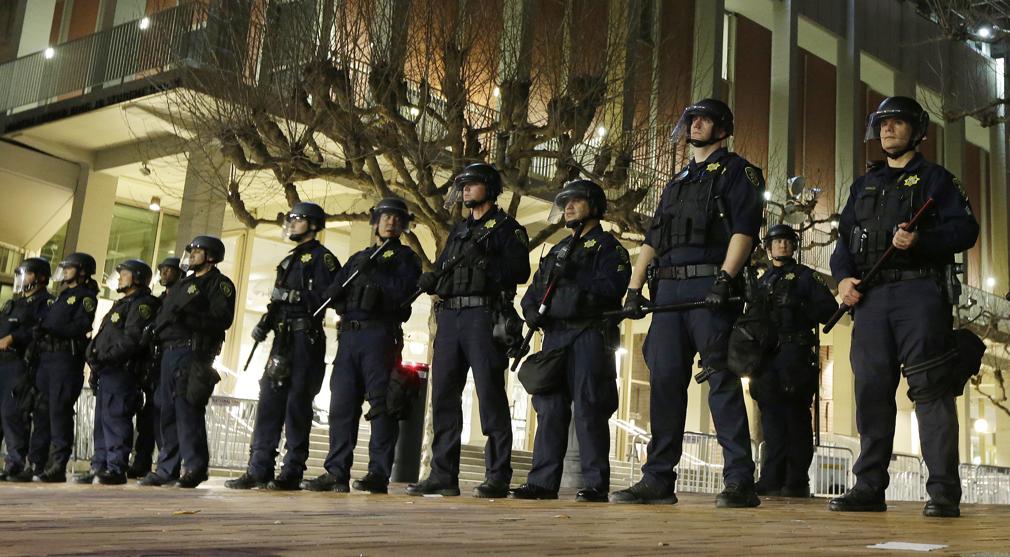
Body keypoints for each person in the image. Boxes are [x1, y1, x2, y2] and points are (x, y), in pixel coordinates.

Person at [828, 96, 978, 518]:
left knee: (931, 392)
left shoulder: (937, 181)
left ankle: (944, 492)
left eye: (896, 123)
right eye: (882, 123)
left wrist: (921, 242)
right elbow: (844, 243)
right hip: (871, 301)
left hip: (920, 296)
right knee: (871, 392)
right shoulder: (864, 185)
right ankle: (869, 487)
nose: (887, 130)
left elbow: (966, 229)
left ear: (917, 130)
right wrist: (844, 280)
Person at [612, 98, 764, 507]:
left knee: (721, 383)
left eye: (704, 120)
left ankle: (739, 481)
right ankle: (658, 479)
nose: (695, 125)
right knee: (663, 385)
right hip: (669, 295)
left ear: (721, 128)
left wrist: (724, 278)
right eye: (692, 119)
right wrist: (633, 287)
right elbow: (653, 238)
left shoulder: (738, 171)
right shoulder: (677, 180)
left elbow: (744, 231)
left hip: (709, 288)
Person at [407, 163, 531, 498]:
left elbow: (521, 270)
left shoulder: (507, 228)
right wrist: (433, 278)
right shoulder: (459, 229)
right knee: (444, 395)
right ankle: (443, 474)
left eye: (472, 184)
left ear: (489, 188)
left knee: (490, 394)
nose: (464, 190)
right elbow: (448, 267)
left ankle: (498, 475)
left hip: (483, 315)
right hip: (450, 318)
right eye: (463, 185)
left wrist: (488, 262)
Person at [511, 179, 630, 503]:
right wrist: (531, 311)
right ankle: (542, 482)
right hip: (554, 337)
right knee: (548, 408)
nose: (569, 208)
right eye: (565, 203)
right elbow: (535, 292)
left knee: (590, 408)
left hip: (589, 333)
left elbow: (613, 286)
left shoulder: (608, 246)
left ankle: (595, 484)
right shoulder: (558, 249)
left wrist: (577, 275)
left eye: (576, 201)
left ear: (593, 205)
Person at [303, 197, 421, 493]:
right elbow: (336, 291)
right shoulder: (358, 258)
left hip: (380, 335)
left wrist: (376, 273)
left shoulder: (406, 259)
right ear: (376, 221)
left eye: (396, 218)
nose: (391, 222)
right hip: (349, 338)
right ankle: (336, 472)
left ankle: (377, 473)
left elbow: (402, 295)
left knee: (382, 405)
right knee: (341, 405)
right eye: (386, 217)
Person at [226, 202, 339, 491]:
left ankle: (292, 469)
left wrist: (294, 298)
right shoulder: (288, 261)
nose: (291, 224)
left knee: (296, 404)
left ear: (313, 224)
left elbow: (330, 297)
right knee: (269, 402)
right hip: (282, 339)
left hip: (305, 338)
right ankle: (259, 468)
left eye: (297, 219)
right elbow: (277, 302)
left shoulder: (322, 259)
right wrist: (266, 322)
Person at [139, 236, 235, 489]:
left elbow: (222, 319)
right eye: (190, 250)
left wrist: (190, 317)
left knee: (187, 411)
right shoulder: (184, 283)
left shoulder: (219, 284)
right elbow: (165, 315)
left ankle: (195, 467)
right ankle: (166, 468)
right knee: (166, 410)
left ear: (211, 256)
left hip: (193, 353)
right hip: (169, 352)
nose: (191, 255)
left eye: (197, 251)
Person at [748, 224, 835, 498]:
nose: (782, 245)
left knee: (796, 419)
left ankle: (796, 480)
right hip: (768, 358)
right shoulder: (763, 281)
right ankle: (771, 478)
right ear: (768, 247)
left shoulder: (806, 277)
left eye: (787, 241)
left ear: (794, 246)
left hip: (795, 354)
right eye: (777, 241)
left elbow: (830, 312)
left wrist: (800, 305)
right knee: (771, 420)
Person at [76, 259, 160, 485]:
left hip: (123, 371)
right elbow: (106, 334)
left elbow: (132, 339)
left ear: (138, 278)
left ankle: (116, 467)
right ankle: (99, 466)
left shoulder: (142, 304)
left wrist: (105, 357)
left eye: (125, 274)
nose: (121, 278)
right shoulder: (123, 303)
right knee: (102, 420)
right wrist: (94, 357)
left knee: (115, 419)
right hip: (107, 370)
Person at [25, 252, 100, 483]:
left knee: (59, 411)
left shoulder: (85, 298)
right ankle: (36, 462)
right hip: (47, 358)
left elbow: (80, 327)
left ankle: (58, 463)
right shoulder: (60, 297)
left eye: (70, 267)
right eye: (65, 267)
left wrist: (52, 327)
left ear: (82, 271)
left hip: (66, 359)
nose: (65, 271)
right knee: (41, 410)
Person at [128, 256, 182, 478]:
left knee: (165, 416)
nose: (164, 273)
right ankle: (141, 461)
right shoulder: (159, 300)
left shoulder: (180, 297)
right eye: (162, 269)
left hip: (171, 361)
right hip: (154, 362)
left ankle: (167, 466)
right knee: (147, 417)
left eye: (169, 270)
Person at [0, 258, 53, 481]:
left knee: (13, 413)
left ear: (40, 277)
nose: (22, 279)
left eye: (27, 274)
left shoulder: (46, 303)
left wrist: (14, 337)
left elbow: (39, 330)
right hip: (2, 362)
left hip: (21, 363)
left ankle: (16, 462)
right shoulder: (14, 302)